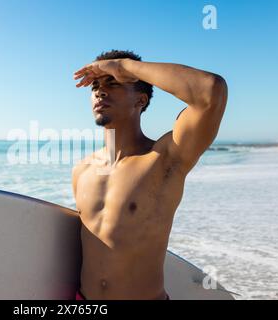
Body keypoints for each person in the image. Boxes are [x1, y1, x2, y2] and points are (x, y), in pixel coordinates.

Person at [71, 50, 228, 300]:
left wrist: (125, 67)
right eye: (96, 86)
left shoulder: (164, 159)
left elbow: (211, 91)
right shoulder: (82, 170)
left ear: (140, 100)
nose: (100, 92)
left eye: (113, 83)